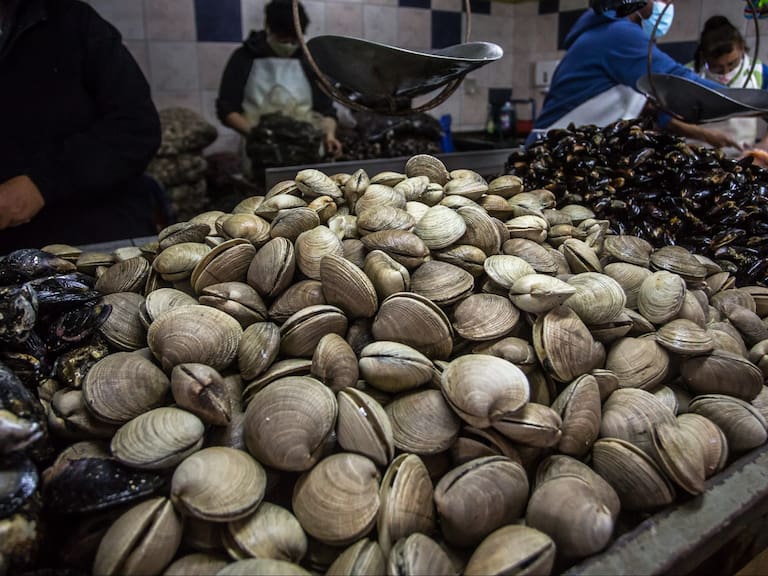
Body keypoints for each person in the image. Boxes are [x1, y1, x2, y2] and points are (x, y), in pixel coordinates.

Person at [0, 0, 162, 254]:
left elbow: (137, 126)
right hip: (11, 252)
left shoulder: (74, 22)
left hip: (98, 235)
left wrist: (41, 182)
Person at [529, 1, 740, 149]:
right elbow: (677, 81)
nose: (666, 4)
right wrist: (755, 102)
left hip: (574, 151)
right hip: (551, 153)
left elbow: (653, 110)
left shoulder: (609, 33)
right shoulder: (616, 35)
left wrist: (706, 135)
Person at [216, 0, 342, 173]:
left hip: (306, 152)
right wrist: (256, 135)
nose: (289, 44)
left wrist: (329, 135)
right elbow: (227, 108)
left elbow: (326, 109)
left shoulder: (308, 60)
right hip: (260, 153)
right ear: (269, 28)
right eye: (283, 39)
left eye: (294, 40)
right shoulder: (244, 57)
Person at [687, 15, 768, 152]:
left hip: (742, 156)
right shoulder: (687, 75)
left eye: (732, 64)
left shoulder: (759, 73)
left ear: (742, 48)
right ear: (704, 57)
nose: (725, 72)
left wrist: (765, 144)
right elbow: (668, 121)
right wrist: (705, 135)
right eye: (717, 67)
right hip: (696, 155)